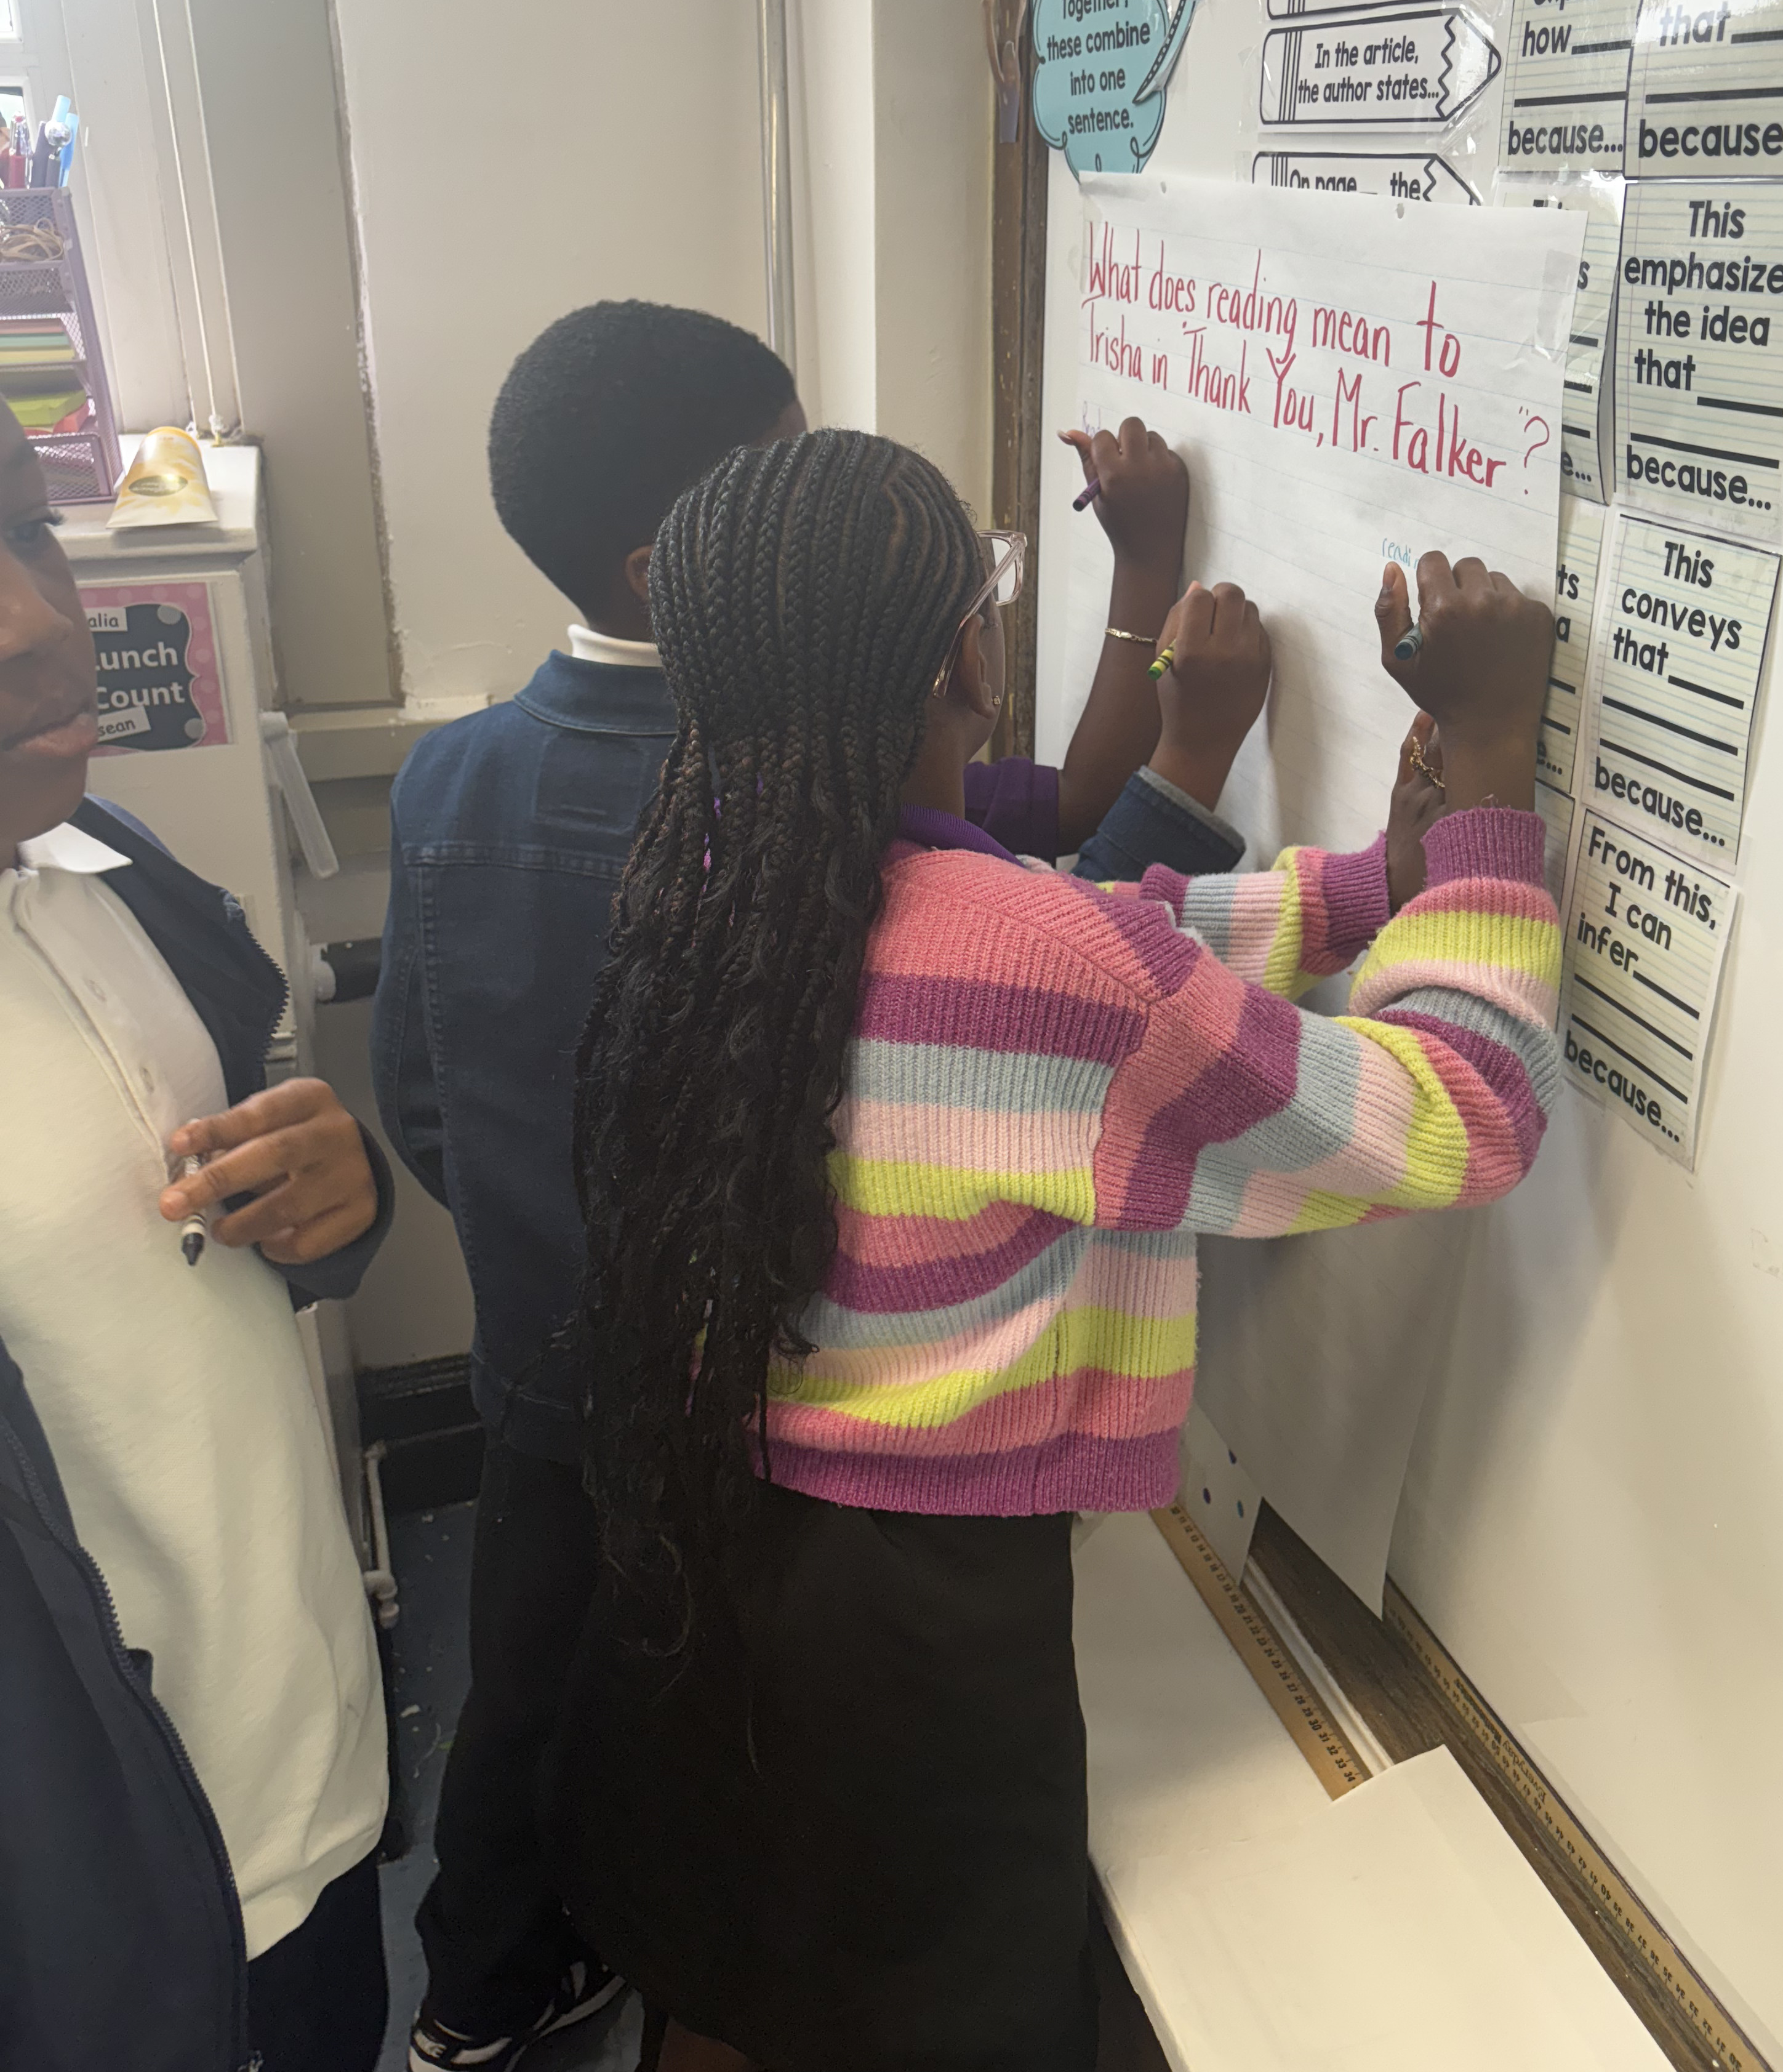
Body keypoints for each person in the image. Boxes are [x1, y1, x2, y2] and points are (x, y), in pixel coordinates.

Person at [551, 427, 1562, 2072]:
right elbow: (1461, 1116)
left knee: (759, 1956)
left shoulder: (726, 873)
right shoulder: (1031, 967)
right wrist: (1500, 785)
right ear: (974, 652)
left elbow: (1113, 937)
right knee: (934, 2004)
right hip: (913, 1635)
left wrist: (1392, 879)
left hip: (729, 1541)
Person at [372, 299, 1243, 2067]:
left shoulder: (457, 773)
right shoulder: (779, 808)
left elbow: (420, 1101)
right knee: (697, 1712)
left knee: (550, 1687)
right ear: (670, 565)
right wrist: (1168, 661)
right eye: (781, 493)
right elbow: (1052, 877)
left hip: (556, 1373)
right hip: (770, 1395)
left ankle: (485, 1993)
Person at [0, 400, 394, 2072]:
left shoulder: (103, 860)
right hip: (87, 1912)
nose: (33, 620)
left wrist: (330, 1191)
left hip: (306, 1759)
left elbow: (228, 1233)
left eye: (23, 533)